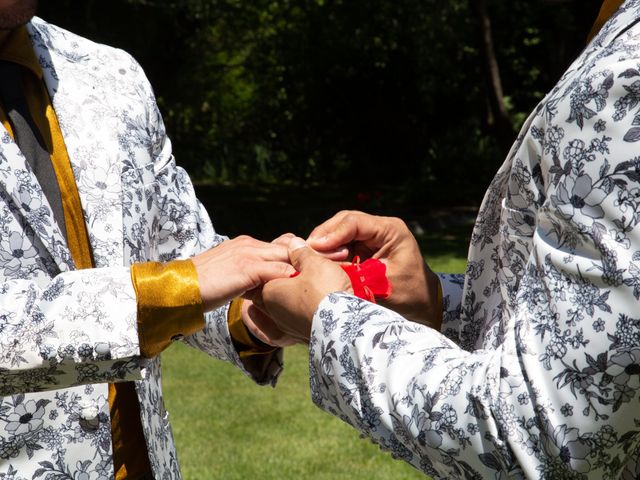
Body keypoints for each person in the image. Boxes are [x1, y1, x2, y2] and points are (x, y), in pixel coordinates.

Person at [256, 0, 640, 477]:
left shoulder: (630, 75)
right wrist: (437, 302)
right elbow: (587, 346)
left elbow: (544, 443)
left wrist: (333, 319)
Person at [0, 1, 297, 478]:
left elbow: (181, 251)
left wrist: (256, 313)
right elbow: (180, 282)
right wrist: (173, 291)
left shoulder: (112, 74)